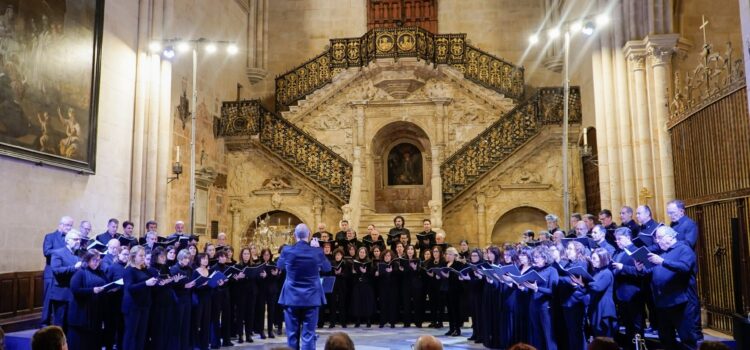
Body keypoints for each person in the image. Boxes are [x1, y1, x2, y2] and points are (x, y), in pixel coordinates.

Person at [635, 225, 698, 349]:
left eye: (659, 238)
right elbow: (652, 270)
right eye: (656, 239)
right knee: (665, 339)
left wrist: (662, 261)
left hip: (681, 303)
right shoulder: (663, 252)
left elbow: (684, 267)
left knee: (687, 339)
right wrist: (640, 269)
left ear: (670, 237)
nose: (657, 241)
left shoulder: (684, 249)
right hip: (662, 303)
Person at [277, 224, 332, 350]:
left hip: (291, 297)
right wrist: (318, 249)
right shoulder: (317, 251)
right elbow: (327, 268)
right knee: (308, 335)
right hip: (311, 298)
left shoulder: (287, 250)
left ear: (294, 235)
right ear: (308, 235)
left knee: (291, 335)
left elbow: (279, 266)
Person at [68, 250, 108, 350]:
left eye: (98, 260)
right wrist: (92, 290)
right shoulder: (80, 272)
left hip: (96, 311)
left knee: (94, 340)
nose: (97, 263)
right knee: (81, 342)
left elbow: (106, 284)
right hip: (82, 311)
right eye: (94, 260)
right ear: (87, 260)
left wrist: (110, 288)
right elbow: (75, 289)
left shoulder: (100, 272)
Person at [122, 245, 158, 350]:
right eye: (141, 256)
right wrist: (146, 283)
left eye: (144, 255)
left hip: (144, 305)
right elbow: (130, 288)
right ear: (133, 257)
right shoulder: (129, 270)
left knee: (141, 335)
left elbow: (149, 285)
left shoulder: (145, 270)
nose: (143, 258)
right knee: (131, 335)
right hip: (133, 306)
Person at [42, 216, 73, 326]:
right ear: (60, 225)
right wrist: (63, 251)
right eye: (68, 225)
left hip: (63, 274)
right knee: (47, 301)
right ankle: (44, 324)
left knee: (59, 305)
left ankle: (58, 325)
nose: (70, 228)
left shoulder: (69, 238)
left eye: (71, 225)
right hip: (51, 273)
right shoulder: (50, 237)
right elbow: (46, 252)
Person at [50, 230, 83, 331]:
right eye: (75, 239)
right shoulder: (58, 253)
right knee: (60, 324)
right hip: (62, 294)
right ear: (67, 240)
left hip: (75, 294)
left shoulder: (79, 254)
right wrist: (74, 267)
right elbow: (56, 270)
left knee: (71, 324)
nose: (78, 241)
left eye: (79, 240)